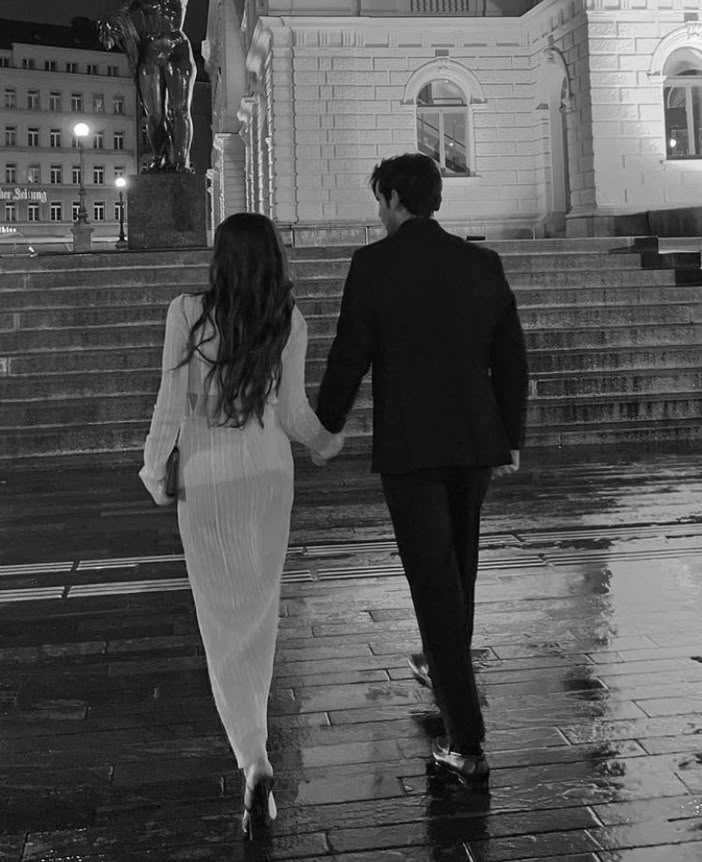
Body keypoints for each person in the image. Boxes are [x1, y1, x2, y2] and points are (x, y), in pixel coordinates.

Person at [315, 153, 528, 786]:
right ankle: (446, 665)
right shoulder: (481, 263)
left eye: (379, 199)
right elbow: (510, 357)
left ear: (393, 199)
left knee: (434, 581)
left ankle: (466, 741)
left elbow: (351, 351)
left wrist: (324, 422)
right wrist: (510, 436)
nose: (377, 212)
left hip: (412, 450)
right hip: (475, 442)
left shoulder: (373, 265)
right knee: (459, 564)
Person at [139, 213, 343, 835]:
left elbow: (170, 405)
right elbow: (294, 411)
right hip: (268, 478)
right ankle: (255, 752)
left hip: (207, 483)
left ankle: (253, 758)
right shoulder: (289, 320)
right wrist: (326, 442)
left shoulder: (187, 315)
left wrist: (153, 471)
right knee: (260, 610)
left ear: (219, 259)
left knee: (219, 620)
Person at [99, 0, 195, 172]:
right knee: (154, 114)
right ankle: (159, 157)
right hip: (150, 50)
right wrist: (110, 25)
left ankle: (181, 162)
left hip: (177, 47)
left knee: (180, 110)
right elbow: (120, 11)